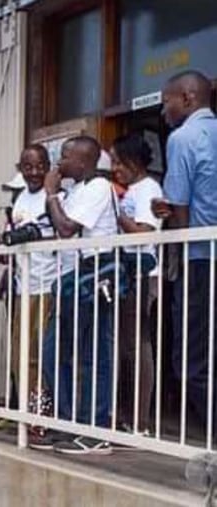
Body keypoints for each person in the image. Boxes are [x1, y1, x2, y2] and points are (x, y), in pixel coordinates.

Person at [38, 136, 120, 455]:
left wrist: (50, 193)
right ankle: (68, 422)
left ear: (83, 162)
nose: (60, 162)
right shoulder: (76, 191)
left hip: (93, 275)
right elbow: (58, 226)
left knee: (92, 355)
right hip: (71, 278)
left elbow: (68, 227)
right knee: (54, 352)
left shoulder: (99, 187)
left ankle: (94, 429)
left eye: (66, 157)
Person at [153, 70, 217, 430]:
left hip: (199, 256)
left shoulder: (183, 138)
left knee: (192, 357)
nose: (164, 111)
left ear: (188, 98)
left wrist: (175, 251)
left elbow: (179, 207)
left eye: (168, 102)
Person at [0, 145, 58, 423]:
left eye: (40, 166)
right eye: (28, 167)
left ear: (48, 165)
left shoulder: (54, 197)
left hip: (47, 283)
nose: (34, 172)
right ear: (21, 168)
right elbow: (14, 239)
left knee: (39, 355)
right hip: (22, 286)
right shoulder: (19, 201)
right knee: (20, 353)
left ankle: (41, 413)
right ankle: (26, 412)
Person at [111, 133, 162, 436]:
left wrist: (117, 214)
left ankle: (140, 420)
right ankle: (124, 414)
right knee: (124, 343)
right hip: (125, 272)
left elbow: (142, 231)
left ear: (134, 162)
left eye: (118, 161)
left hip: (142, 273)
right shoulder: (130, 189)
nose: (115, 168)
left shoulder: (149, 189)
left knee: (137, 342)